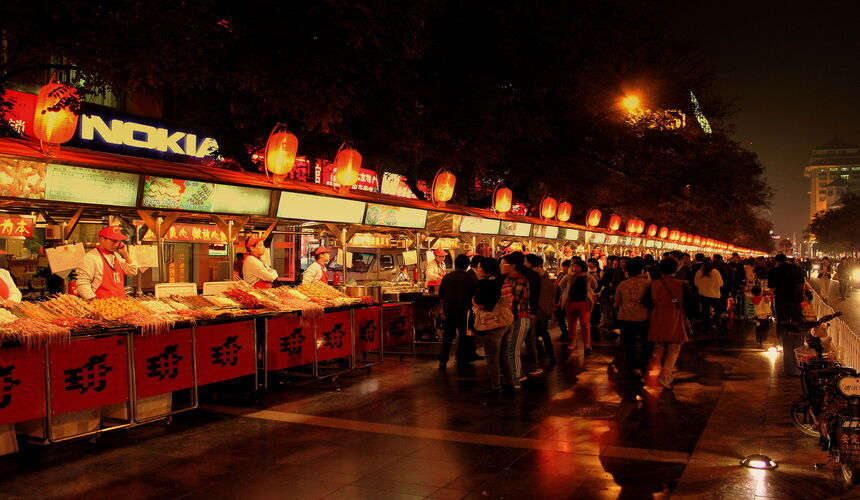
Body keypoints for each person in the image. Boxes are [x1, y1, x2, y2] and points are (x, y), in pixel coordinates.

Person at [647, 258, 690, 390]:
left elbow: (647, 302)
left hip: (657, 316)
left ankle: (665, 373)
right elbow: (688, 303)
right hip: (674, 316)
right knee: (674, 347)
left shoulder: (653, 284)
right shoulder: (681, 284)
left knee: (659, 347)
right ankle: (665, 375)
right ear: (675, 270)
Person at [471, 258, 508, 395]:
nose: (478, 269)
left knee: (492, 357)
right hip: (505, 320)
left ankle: (495, 387)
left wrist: (474, 300)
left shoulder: (485, 284)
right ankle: (509, 383)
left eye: (480, 267)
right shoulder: (500, 280)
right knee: (503, 355)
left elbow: (484, 304)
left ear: (486, 269)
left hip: (492, 322)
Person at [438, 254, 479, 369]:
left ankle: (442, 360)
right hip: (465, 311)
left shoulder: (447, 277)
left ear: (455, 264)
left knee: (448, 336)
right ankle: (461, 359)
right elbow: (475, 295)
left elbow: (441, 294)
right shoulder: (470, 278)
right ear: (467, 265)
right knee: (463, 335)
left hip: (450, 310)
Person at [76, 225, 138, 300]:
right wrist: (93, 301)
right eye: (113, 241)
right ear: (102, 239)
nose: (116, 244)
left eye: (118, 241)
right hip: (102, 304)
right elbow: (82, 284)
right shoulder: (90, 258)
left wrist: (125, 253)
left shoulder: (117, 256)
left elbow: (132, 272)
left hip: (120, 303)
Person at [614, 258, 651, 378]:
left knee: (630, 345)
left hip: (627, 318)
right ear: (642, 270)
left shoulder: (622, 284)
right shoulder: (648, 284)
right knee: (648, 344)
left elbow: (617, 303)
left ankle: (633, 367)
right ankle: (641, 365)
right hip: (645, 318)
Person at [500, 252, 531, 387]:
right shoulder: (507, 280)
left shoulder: (520, 280)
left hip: (520, 317)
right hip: (511, 318)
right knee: (509, 349)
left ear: (511, 266)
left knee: (513, 349)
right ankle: (516, 375)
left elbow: (515, 299)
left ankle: (516, 377)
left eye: (503, 264)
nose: (500, 266)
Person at [524, 254, 556, 372]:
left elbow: (533, 295)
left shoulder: (532, 276)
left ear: (530, 264)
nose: (524, 264)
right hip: (545, 308)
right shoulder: (546, 275)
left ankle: (536, 359)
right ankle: (550, 355)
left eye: (525, 262)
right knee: (543, 332)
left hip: (536, 309)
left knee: (533, 334)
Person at [560, 260, 597, 355]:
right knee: (571, 324)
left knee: (585, 324)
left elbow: (595, 285)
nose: (574, 268)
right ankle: (572, 342)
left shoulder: (588, 277)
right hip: (571, 302)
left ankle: (587, 344)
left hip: (584, 303)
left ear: (582, 267)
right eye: (573, 266)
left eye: (577, 266)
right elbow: (561, 285)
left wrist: (589, 291)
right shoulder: (568, 277)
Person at [767, 253, 805, 341]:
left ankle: (781, 340)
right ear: (786, 260)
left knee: (782, 320)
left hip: (781, 299)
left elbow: (771, 286)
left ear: (776, 262)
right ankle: (797, 340)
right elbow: (802, 283)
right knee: (796, 319)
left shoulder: (774, 271)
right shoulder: (797, 269)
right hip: (795, 298)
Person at [694, 258, 723, 335]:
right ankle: (714, 323)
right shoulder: (716, 272)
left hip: (703, 295)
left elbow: (696, 283)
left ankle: (706, 327)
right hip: (715, 295)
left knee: (705, 312)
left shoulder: (699, 273)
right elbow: (721, 283)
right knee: (717, 310)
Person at [554, 260, 572, 343]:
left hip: (567, 299)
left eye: (566, 267)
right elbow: (557, 286)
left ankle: (568, 334)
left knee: (568, 317)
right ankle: (565, 333)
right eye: (564, 267)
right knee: (560, 317)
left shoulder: (571, 276)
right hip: (559, 298)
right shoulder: (561, 274)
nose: (564, 268)